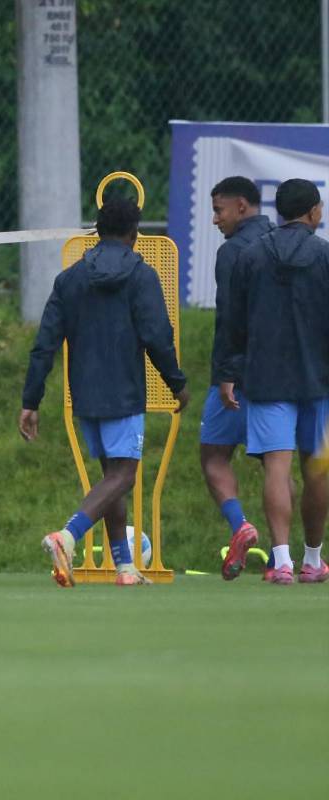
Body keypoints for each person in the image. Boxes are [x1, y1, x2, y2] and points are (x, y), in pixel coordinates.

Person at [19, 197, 190, 588]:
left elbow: (45, 343)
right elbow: (157, 336)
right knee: (124, 475)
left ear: (95, 230)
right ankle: (67, 536)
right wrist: (176, 383)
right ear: (135, 234)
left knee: (110, 477)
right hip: (125, 391)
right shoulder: (142, 276)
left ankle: (125, 567)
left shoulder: (69, 280)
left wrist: (31, 400)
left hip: (84, 395)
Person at [227, 178, 329, 584]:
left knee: (276, 466)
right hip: (319, 380)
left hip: (265, 377)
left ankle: (281, 561)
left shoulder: (250, 257)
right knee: (318, 471)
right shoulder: (325, 256)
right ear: (313, 212)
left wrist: (230, 371)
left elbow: (234, 323)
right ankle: (313, 559)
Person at [202, 177, 274, 580]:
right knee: (276, 465)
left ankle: (240, 525)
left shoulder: (233, 251)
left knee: (213, 456)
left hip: (238, 374)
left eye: (219, 210)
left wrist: (227, 372)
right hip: (280, 373)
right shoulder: (280, 242)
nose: (216, 220)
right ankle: (284, 558)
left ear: (242, 206)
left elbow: (231, 316)